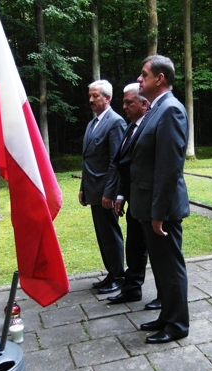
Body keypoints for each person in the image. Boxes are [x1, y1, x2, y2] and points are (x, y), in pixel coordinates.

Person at [131, 55, 190, 344]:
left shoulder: (170, 110)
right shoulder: (156, 109)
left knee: (170, 267)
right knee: (162, 266)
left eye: (144, 75)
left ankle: (178, 325)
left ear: (160, 79)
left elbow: (169, 167)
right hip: (150, 206)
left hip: (162, 209)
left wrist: (158, 213)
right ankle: (167, 316)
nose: (139, 80)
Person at [106, 83, 153, 307]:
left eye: (129, 102)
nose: (123, 106)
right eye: (123, 102)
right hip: (134, 200)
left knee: (156, 250)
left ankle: (166, 297)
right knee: (134, 247)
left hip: (150, 202)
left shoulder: (151, 127)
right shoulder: (130, 127)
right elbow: (126, 165)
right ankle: (132, 288)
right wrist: (122, 195)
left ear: (144, 104)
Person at [79, 79, 126, 294]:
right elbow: (88, 159)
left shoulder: (115, 122)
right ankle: (111, 273)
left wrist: (110, 192)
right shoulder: (92, 123)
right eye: (90, 96)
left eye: (95, 96)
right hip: (93, 190)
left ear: (107, 98)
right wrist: (83, 188)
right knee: (102, 235)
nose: (91, 100)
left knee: (110, 234)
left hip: (105, 192)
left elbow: (115, 161)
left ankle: (118, 276)